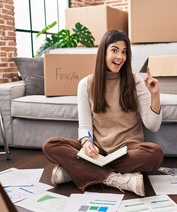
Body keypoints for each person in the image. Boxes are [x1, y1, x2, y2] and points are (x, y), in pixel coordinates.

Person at [42, 29, 163, 196]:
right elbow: (85, 126)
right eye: (114, 50)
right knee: (51, 145)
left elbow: (153, 125)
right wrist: (86, 143)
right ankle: (115, 179)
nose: (120, 57)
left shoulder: (135, 82)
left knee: (155, 154)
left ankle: (74, 173)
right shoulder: (86, 84)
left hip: (128, 150)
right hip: (97, 150)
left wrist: (155, 95)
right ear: (103, 52)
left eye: (124, 52)